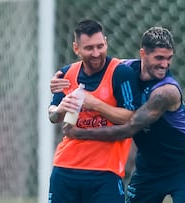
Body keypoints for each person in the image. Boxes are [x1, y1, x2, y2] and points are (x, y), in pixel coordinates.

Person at [61, 27, 185, 203]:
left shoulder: (167, 92)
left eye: (169, 58)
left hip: (183, 167)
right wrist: (60, 77)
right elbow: (91, 68)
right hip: (148, 169)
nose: (165, 64)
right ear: (143, 53)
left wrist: (79, 133)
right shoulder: (125, 69)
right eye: (159, 58)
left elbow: (128, 129)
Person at [47, 19, 141, 203]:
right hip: (65, 168)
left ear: (106, 42)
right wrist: (59, 109)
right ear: (76, 48)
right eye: (89, 48)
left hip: (105, 172)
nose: (97, 53)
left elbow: (131, 117)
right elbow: (53, 116)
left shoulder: (120, 73)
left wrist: (95, 104)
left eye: (100, 46)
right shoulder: (66, 74)